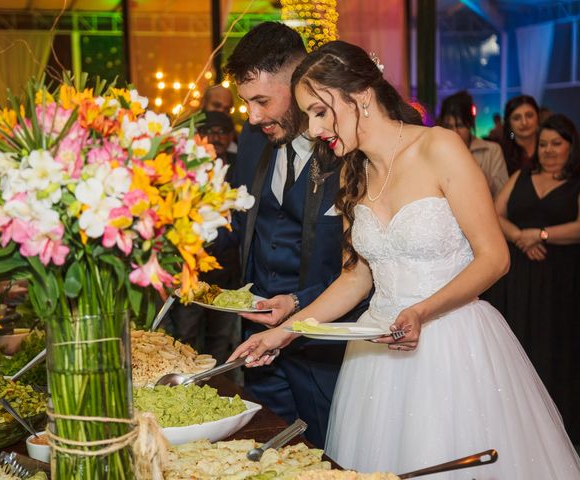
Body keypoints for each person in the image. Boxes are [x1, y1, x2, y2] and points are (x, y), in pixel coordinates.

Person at [229, 40, 580, 477]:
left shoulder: (440, 148)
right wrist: (286, 333)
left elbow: (494, 258)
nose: (316, 129)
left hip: (454, 346)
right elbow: (356, 278)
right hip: (376, 355)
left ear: (359, 96)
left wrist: (421, 311)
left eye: (320, 112)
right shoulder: (351, 172)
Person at [222, 22, 366, 448]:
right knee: (269, 451)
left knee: (328, 457)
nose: (252, 116)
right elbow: (239, 228)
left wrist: (299, 309)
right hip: (260, 349)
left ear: (301, 79)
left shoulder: (350, 149)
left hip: (326, 352)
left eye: (263, 101)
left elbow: (368, 268)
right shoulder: (252, 140)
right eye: (246, 103)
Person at [483, 113, 580, 445]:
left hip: (561, 279)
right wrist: (522, 237)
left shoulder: (577, 180)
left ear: (571, 146)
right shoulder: (522, 175)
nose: (549, 150)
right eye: (543, 144)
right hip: (519, 278)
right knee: (521, 343)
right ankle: (519, 424)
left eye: (557, 143)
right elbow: (494, 213)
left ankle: (561, 424)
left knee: (557, 344)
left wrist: (541, 234)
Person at [165, 111, 241, 366]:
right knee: (186, 334)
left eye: (222, 131)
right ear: (200, 136)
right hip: (192, 270)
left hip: (228, 270)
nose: (216, 137)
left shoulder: (240, 166)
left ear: (231, 136)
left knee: (221, 338)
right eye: (210, 131)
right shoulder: (187, 166)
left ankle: (218, 387)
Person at [439, 91, 508, 196]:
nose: (455, 132)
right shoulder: (437, 153)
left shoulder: (491, 151)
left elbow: (502, 194)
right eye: (449, 126)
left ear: (470, 124)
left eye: (461, 125)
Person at [501, 95, 539, 174]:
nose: (524, 122)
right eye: (517, 118)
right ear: (509, 124)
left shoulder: (549, 146)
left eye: (529, 116)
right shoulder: (502, 153)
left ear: (538, 117)